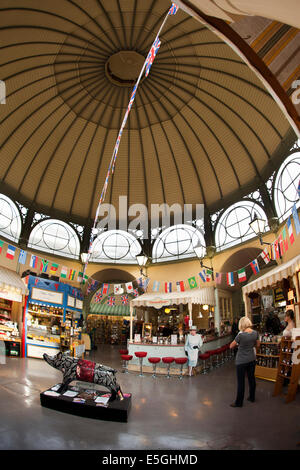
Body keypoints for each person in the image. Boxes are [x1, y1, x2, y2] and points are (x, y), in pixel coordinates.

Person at [229, 316, 260, 407]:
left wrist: (240, 344)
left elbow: (231, 346)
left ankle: (239, 402)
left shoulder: (240, 335)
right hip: (251, 359)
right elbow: (258, 345)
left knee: (241, 382)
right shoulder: (255, 333)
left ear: (241, 324)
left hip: (241, 361)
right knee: (251, 379)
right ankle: (252, 397)